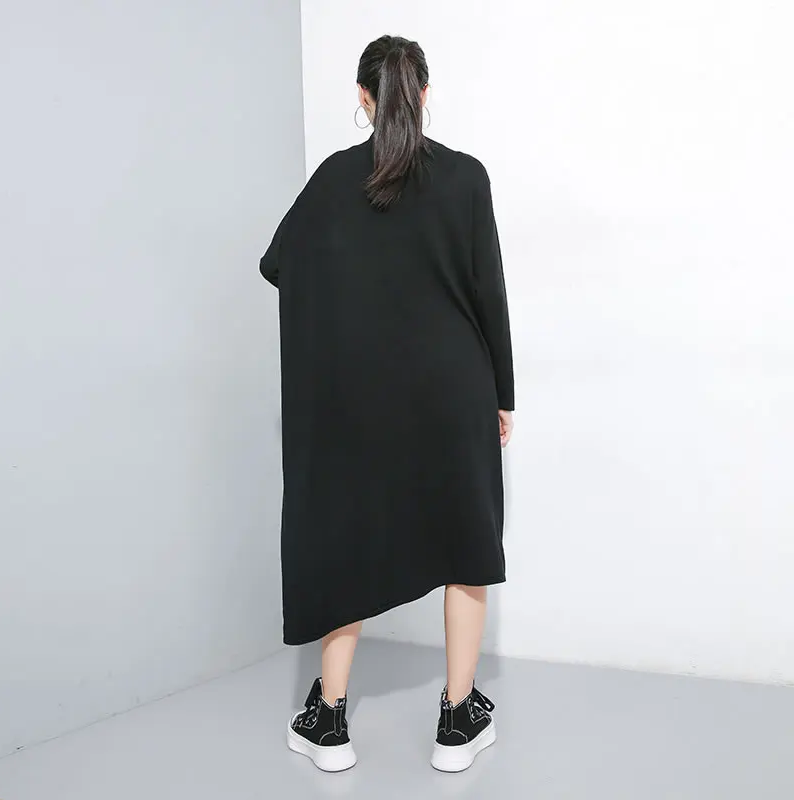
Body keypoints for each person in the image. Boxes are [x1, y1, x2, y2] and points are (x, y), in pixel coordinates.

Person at [259, 34, 514, 774]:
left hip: (358, 400)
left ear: (364, 99)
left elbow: (279, 264)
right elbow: (489, 294)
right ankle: (458, 719)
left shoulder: (334, 178)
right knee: (467, 545)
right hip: (454, 392)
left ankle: (329, 719)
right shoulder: (467, 178)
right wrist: (501, 395)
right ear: (424, 94)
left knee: (345, 539)